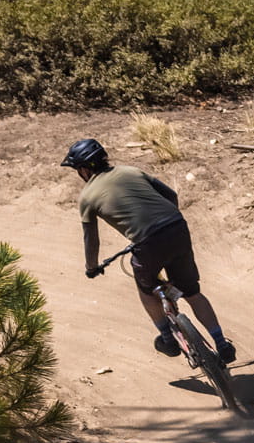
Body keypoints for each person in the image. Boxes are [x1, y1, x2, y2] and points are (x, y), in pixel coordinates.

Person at [61, 138, 236, 364]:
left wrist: (91, 267)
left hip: (147, 242)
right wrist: (165, 222)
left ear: (83, 169)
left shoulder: (87, 196)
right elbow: (171, 196)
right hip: (176, 227)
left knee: (146, 289)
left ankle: (167, 338)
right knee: (192, 291)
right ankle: (221, 343)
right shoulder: (131, 171)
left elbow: (90, 239)